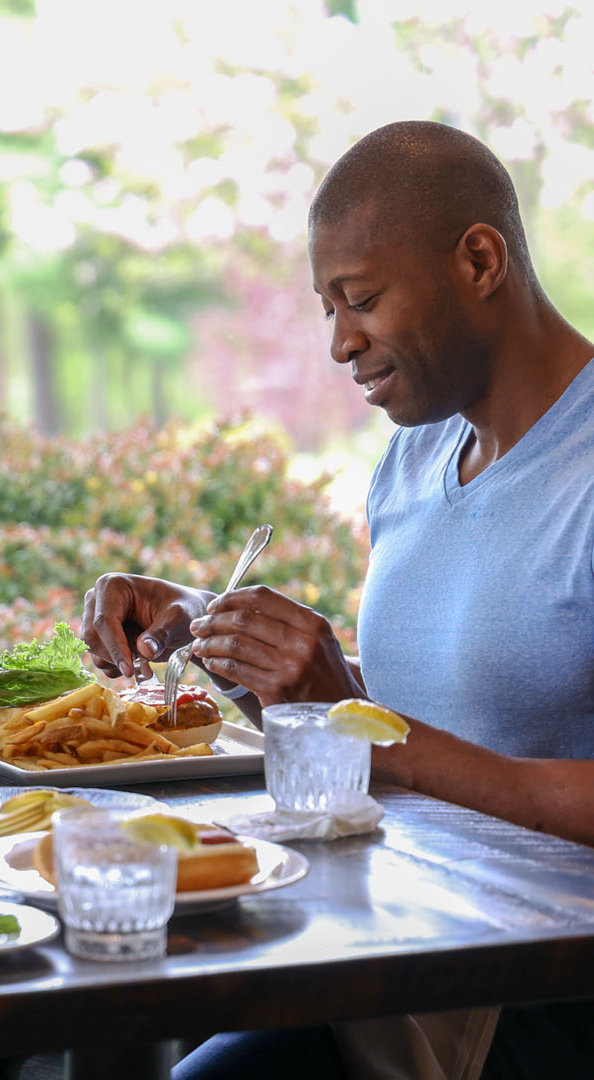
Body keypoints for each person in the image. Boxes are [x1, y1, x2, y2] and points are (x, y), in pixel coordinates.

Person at [82, 121, 594, 1077]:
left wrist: (353, 724)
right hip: (388, 932)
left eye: (359, 300)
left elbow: (397, 740)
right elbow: (445, 711)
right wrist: (229, 640)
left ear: (479, 259)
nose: (338, 342)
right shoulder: (415, 455)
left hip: (531, 986)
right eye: (326, 307)